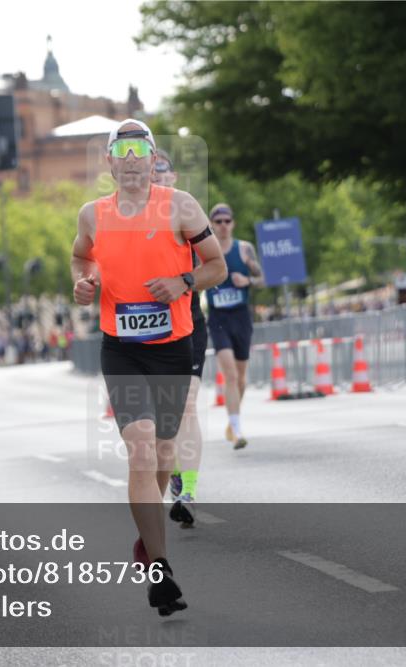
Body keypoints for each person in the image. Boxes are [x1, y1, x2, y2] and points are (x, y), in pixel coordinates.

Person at [71, 119, 226, 616]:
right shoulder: (92, 214)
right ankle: (160, 572)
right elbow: (80, 259)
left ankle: (147, 536)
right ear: (111, 162)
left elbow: (215, 266)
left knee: (163, 453)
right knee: (140, 452)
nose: (134, 157)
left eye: (142, 149)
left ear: (153, 158)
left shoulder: (181, 206)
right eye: (124, 149)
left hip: (172, 347)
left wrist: (184, 281)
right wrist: (85, 282)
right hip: (122, 349)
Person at [151, 149, 204, 528]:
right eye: (151, 171)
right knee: (158, 421)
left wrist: (185, 278)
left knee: (187, 406)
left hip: (188, 323)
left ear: (175, 177)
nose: (156, 176)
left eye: (162, 170)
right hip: (144, 333)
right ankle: (170, 469)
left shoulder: (187, 212)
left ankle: (189, 493)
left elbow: (211, 264)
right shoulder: (128, 220)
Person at [205, 202, 265, 450]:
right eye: (218, 222)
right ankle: (237, 430)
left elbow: (263, 279)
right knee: (229, 374)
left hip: (241, 316)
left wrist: (247, 280)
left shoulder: (244, 249)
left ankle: (233, 421)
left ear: (233, 223)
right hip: (218, 318)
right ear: (211, 225)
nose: (223, 226)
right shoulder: (205, 251)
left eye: (227, 221)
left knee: (241, 378)